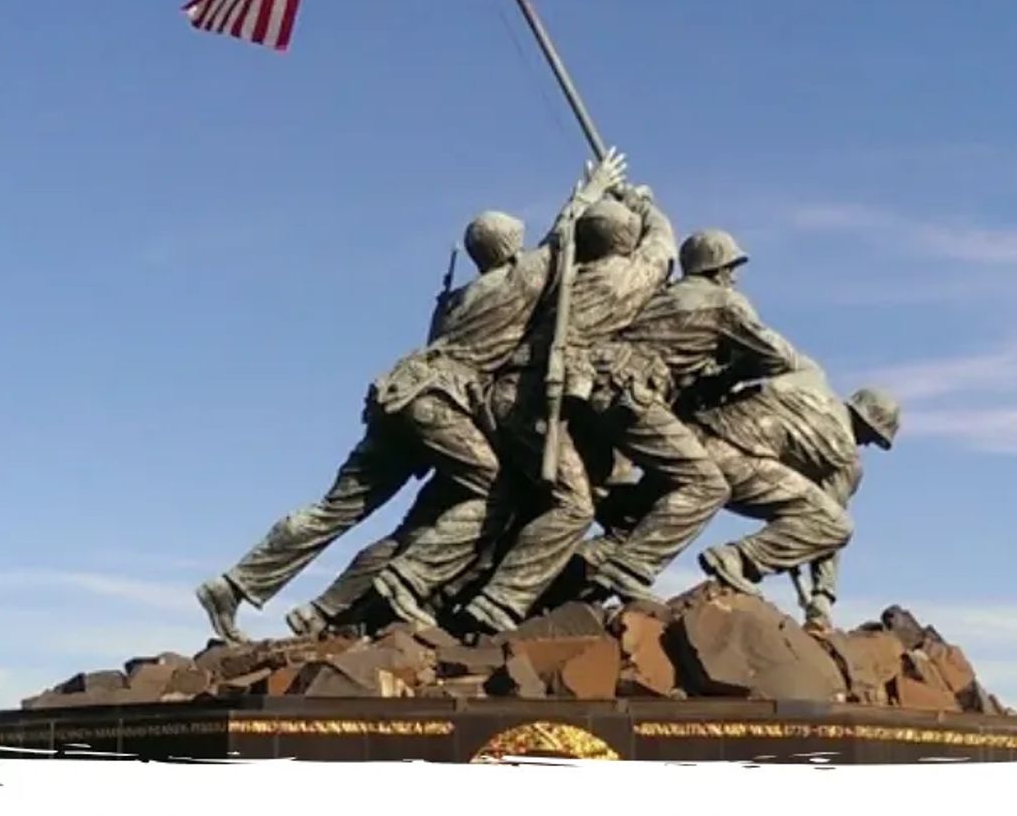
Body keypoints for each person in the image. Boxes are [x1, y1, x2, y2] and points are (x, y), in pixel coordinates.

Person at [195, 151, 626, 643]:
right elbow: (563, 236)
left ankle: (236, 583)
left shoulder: (455, 301)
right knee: (492, 490)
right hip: (437, 403)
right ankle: (406, 582)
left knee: (337, 508)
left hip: (397, 394)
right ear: (510, 249)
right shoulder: (518, 280)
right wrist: (592, 191)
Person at [451, 186, 677, 633]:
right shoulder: (625, 278)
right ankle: (499, 601)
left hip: (502, 396)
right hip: (538, 400)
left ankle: (460, 593)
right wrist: (643, 202)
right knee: (573, 505)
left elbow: (553, 244)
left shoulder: (556, 280)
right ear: (626, 240)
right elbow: (663, 247)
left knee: (525, 500)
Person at [571, 228, 822, 605]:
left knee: (644, 492)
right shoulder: (724, 302)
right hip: (631, 394)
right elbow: (780, 357)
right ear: (717, 269)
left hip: (598, 389)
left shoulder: (663, 296)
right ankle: (630, 568)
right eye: (731, 269)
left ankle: (590, 562)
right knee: (707, 485)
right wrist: (729, 373)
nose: (733, 278)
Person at [693, 378, 900, 630]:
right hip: (740, 468)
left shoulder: (811, 395)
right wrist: (823, 596)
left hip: (699, 439)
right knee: (835, 525)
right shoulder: (845, 455)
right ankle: (739, 558)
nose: (867, 444)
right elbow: (827, 527)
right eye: (873, 437)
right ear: (866, 423)